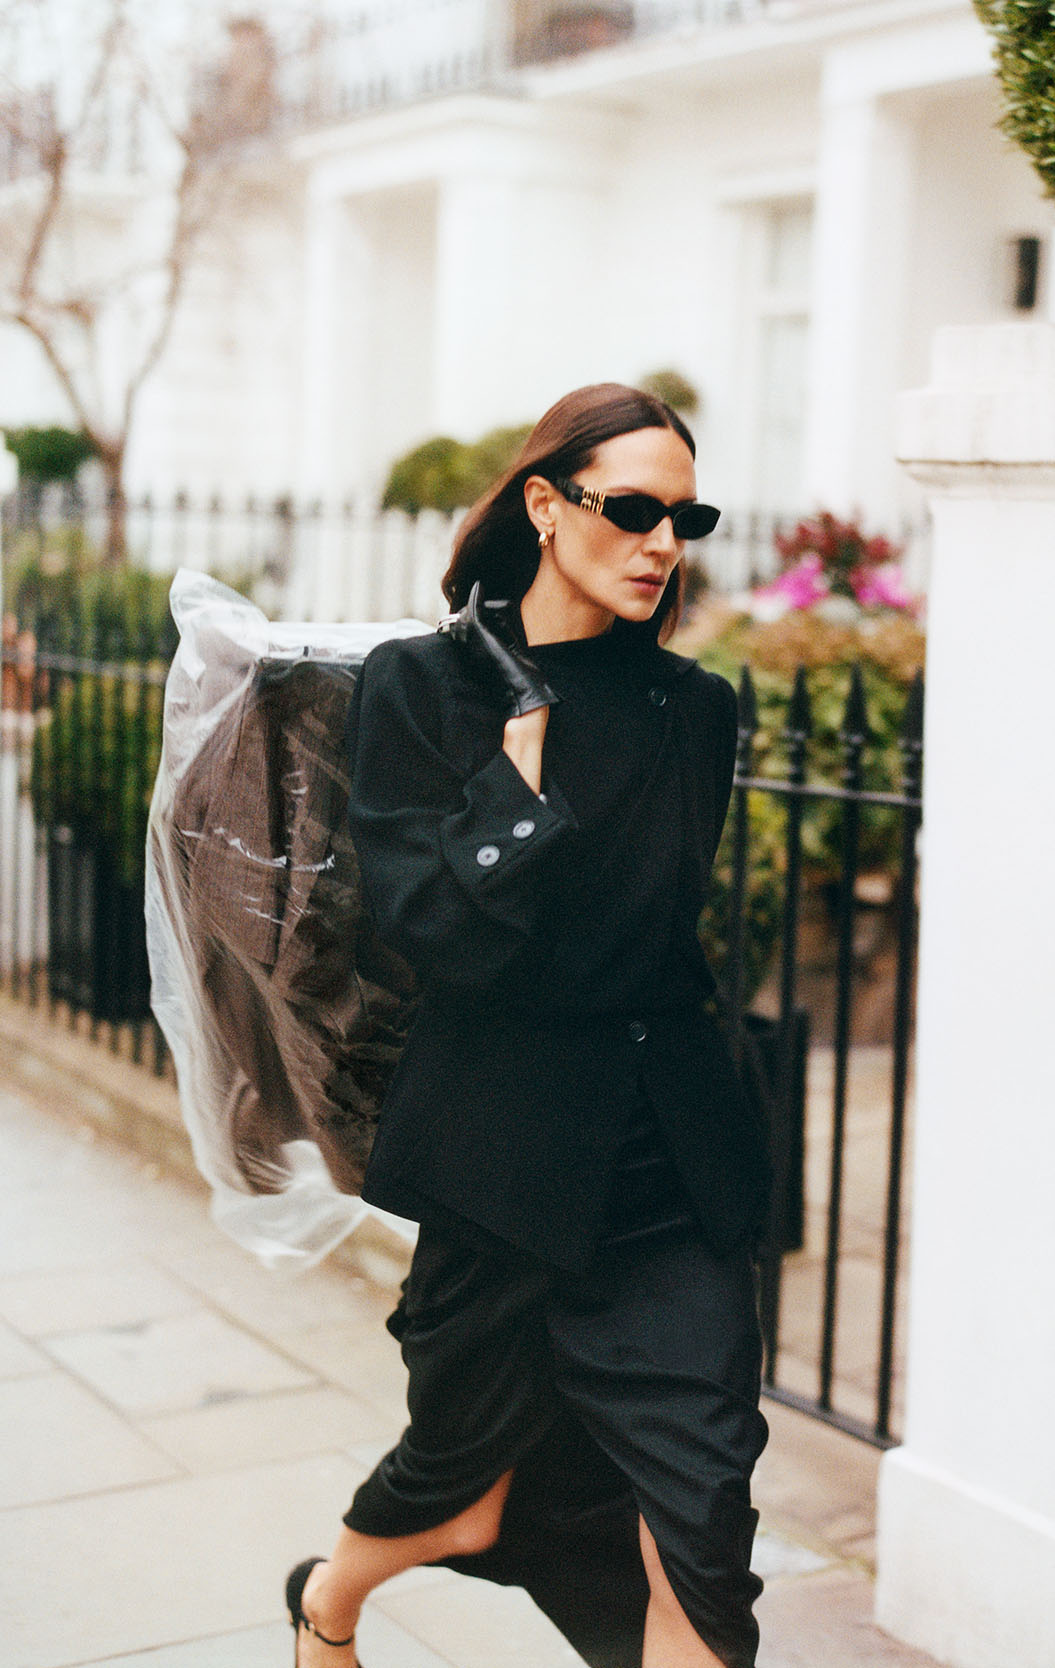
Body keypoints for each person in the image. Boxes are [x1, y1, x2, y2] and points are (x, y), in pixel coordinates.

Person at [285, 383, 772, 1668]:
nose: (662, 543)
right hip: (500, 1164)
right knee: (464, 1487)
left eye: (684, 516)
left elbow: (649, 939)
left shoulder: (698, 707)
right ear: (547, 507)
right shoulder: (423, 686)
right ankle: (325, 1607)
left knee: (704, 1534)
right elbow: (429, 937)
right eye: (631, 510)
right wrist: (518, 761)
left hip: (666, 1162)